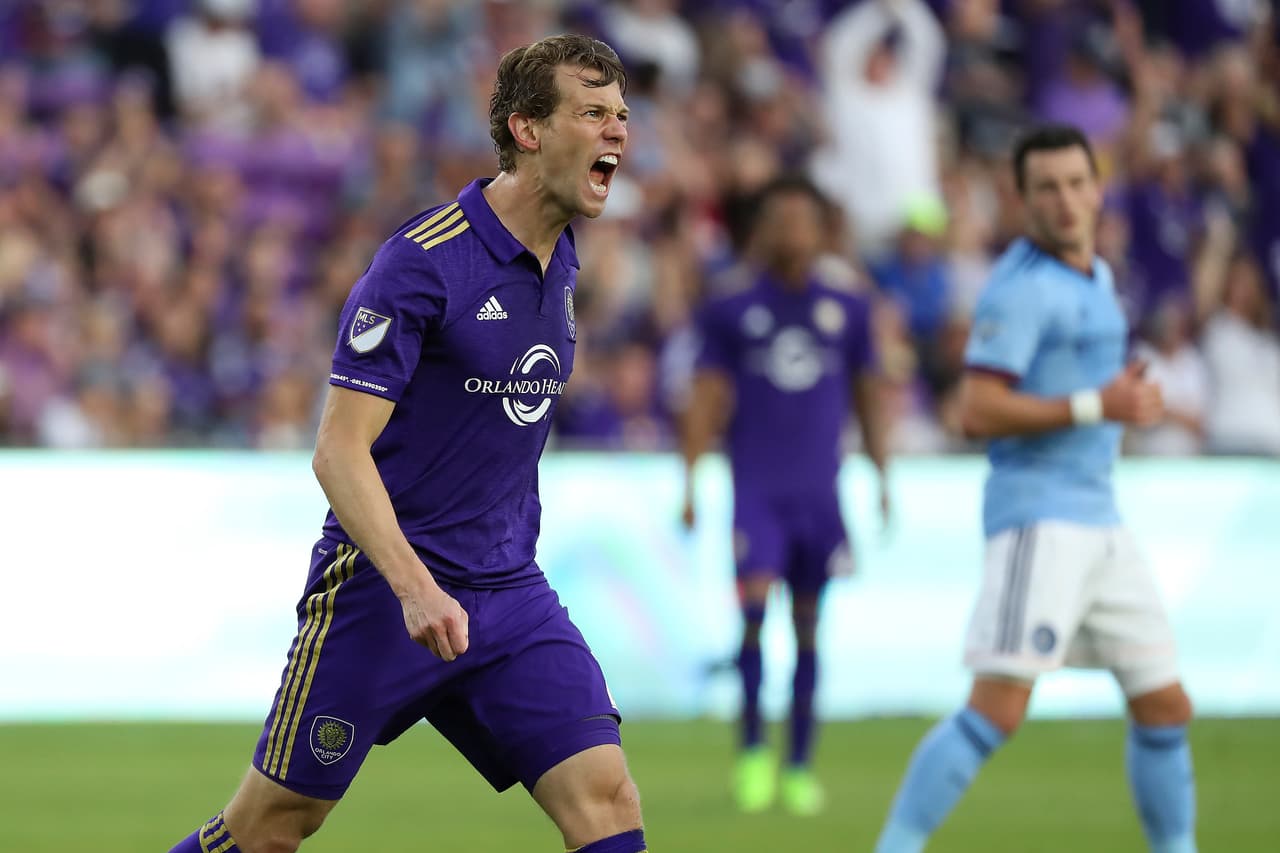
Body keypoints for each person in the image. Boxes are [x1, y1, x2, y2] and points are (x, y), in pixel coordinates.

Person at [168, 34, 650, 853]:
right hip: (384, 590)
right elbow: (337, 451)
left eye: (622, 115)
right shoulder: (423, 263)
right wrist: (416, 587)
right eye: (593, 112)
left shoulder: (563, 257)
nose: (618, 131)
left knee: (606, 798)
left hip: (507, 590)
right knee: (272, 826)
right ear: (529, 129)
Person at [874, 125, 1197, 853]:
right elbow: (976, 409)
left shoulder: (1098, 276)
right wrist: (1098, 404)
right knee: (996, 710)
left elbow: (1091, 387)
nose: (1066, 200)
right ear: (1022, 201)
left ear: (1098, 189)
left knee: (1165, 704)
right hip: (1040, 519)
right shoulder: (1019, 289)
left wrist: (1124, 398)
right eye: (1047, 188)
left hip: (1102, 517)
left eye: (1077, 183)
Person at [680, 175, 889, 816]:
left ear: (821, 231)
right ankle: (752, 752)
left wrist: (884, 475)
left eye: (802, 219)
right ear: (761, 230)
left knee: (808, 626)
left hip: (819, 493)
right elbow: (706, 396)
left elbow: (869, 394)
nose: (790, 230)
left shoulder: (848, 307)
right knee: (752, 612)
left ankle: (799, 763)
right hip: (757, 490)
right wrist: (689, 479)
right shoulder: (732, 307)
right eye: (779, 219)